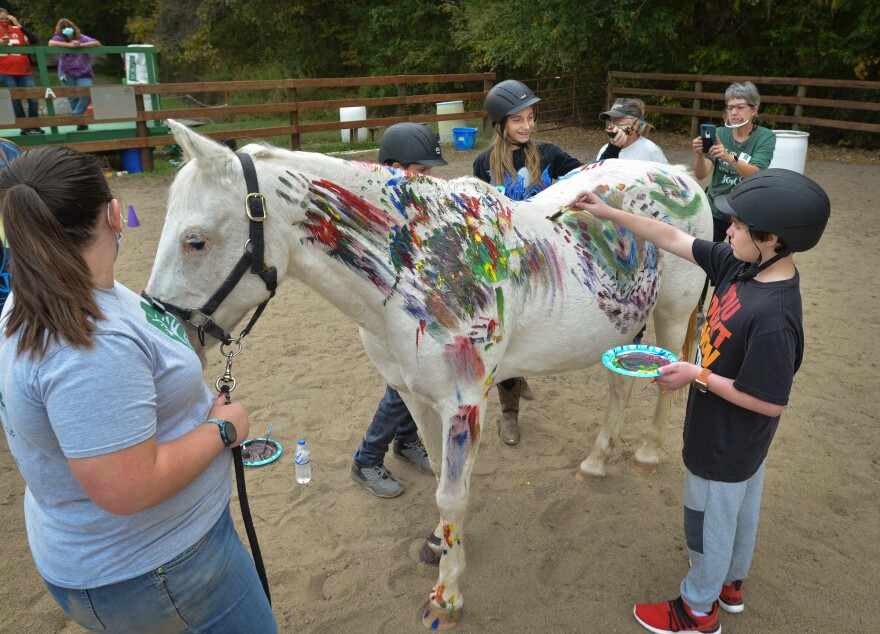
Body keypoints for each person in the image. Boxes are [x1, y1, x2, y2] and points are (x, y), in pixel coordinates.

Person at [0, 146, 277, 632]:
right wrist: (221, 429)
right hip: (159, 568)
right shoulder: (89, 347)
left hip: (136, 558)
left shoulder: (50, 292)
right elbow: (127, 487)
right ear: (112, 213)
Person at [571, 168, 830, 634]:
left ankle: (697, 610)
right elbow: (671, 237)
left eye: (735, 224)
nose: (725, 229)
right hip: (742, 444)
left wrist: (697, 375)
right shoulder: (741, 265)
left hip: (724, 442)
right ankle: (731, 583)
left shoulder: (775, 317)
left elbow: (769, 402)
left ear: (771, 238)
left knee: (707, 519)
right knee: (740, 510)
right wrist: (607, 212)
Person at [473, 78, 583, 445]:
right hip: (503, 261)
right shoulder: (482, 164)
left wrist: (612, 156)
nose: (526, 126)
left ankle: (517, 378)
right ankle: (508, 413)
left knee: (532, 328)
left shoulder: (550, 154)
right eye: (518, 120)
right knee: (504, 331)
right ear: (500, 124)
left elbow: (587, 175)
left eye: (531, 118)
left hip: (544, 258)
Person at [350, 122, 443, 498]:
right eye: (421, 172)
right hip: (387, 315)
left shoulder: (412, 197)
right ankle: (366, 459)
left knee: (413, 387)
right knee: (401, 386)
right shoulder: (374, 209)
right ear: (393, 166)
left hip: (416, 310)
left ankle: (406, 441)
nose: (429, 180)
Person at [693, 81, 776, 242]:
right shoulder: (719, 133)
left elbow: (756, 172)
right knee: (708, 257)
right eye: (730, 107)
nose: (734, 112)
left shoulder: (766, 137)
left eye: (740, 107)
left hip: (744, 212)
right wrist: (700, 155)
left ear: (754, 110)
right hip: (715, 208)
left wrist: (730, 158)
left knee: (741, 260)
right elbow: (701, 174)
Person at [49, 18, 101, 130]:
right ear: (60, 30)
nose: (67, 29)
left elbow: (96, 43)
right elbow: (51, 43)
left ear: (73, 27)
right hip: (66, 71)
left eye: (69, 26)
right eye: (64, 27)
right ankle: (80, 123)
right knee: (72, 97)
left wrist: (80, 45)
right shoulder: (59, 38)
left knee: (86, 93)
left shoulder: (81, 37)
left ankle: (76, 116)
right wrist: (70, 46)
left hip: (83, 71)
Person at [0, 9, 42, 135]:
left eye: (6, 18)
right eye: (1, 19)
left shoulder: (17, 30)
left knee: (33, 98)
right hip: (5, 71)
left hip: (25, 70)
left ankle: (34, 125)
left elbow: (34, 40)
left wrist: (18, 25)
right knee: (15, 99)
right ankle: (24, 127)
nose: (4, 21)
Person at [596, 98, 667, 163]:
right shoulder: (605, 150)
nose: (612, 125)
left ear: (636, 123)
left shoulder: (650, 151)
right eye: (610, 120)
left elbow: (667, 176)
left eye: (618, 119)